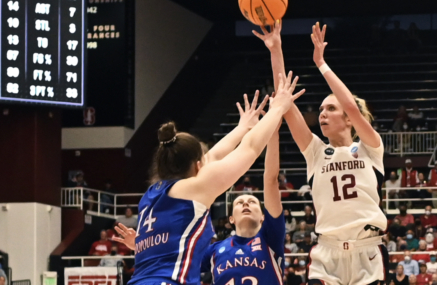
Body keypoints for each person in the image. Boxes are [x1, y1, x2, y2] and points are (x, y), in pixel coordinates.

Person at [112, 79, 304, 285]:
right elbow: (250, 149)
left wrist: (242, 128)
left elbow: (211, 158)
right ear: (197, 166)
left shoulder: (151, 195)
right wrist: (278, 109)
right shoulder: (194, 189)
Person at [254, 20, 389, 285]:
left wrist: (321, 64)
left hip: (368, 251)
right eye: (321, 109)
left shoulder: (370, 148)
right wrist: (275, 50)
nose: (323, 114)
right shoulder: (316, 152)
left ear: (350, 119)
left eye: (330, 109)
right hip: (327, 254)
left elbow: (351, 105)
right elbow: (285, 102)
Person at [200, 119, 286, 285]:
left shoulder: (271, 238)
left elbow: (270, 180)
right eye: (239, 203)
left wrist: (272, 133)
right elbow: (178, 260)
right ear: (231, 219)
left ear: (263, 217)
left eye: (252, 202)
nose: (246, 203)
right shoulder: (215, 250)